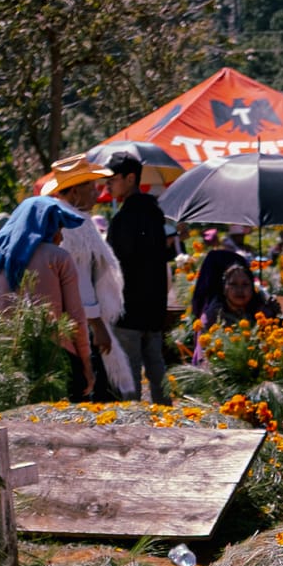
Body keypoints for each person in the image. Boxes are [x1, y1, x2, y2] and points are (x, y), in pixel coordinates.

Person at [0, 196, 92, 384]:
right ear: (46, 227)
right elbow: (75, 317)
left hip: (5, 353)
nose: (61, 237)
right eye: (58, 229)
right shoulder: (59, 258)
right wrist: (86, 363)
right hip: (53, 357)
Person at [51, 157, 131, 397]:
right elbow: (79, 281)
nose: (97, 193)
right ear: (75, 191)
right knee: (93, 392)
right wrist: (97, 325)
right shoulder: (73, 226)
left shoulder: (64, 219)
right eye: (91, 187)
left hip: (71, 321)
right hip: (81, 324)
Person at [103, 151, 174, 401]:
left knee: (129, 379)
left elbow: (114, 265)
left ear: (130, 178)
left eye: (113, 179)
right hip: (154, 309)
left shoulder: (124, 218)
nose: (107, 185)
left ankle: (133, 423)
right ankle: (167, 420)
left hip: (129, 311)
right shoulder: (155, 215)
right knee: (157, 371)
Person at [193, 253, 279, 352]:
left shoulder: (263, 315)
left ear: (252, 288)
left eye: (245, 284)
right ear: (224, 289)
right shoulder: (212, 318)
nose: (240, 290)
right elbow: (203, 355)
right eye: (233, 284)